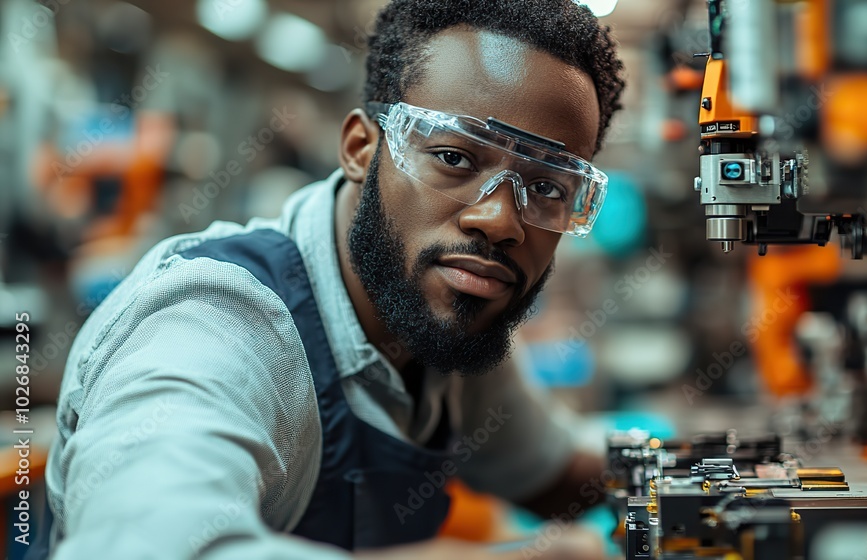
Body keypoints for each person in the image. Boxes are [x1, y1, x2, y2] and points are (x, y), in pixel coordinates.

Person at [32, 0, 626, 558]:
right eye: (455, 158)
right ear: (361, 149)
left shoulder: (446, 321)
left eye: (548, 188)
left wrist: (695, 466)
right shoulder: (214, 326)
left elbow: (549, 472)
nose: (500, 221)